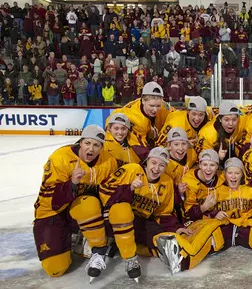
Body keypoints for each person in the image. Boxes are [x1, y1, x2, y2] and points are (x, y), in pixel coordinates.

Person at [99, 147, 219, 279]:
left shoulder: (166, 182)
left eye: (162, 165)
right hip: (114, 217)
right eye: (154, 163)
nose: (157, 168)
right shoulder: (132, 169)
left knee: (160, 241)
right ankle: (121, 253)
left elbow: (164, 213)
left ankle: (119, 244)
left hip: (141, 221)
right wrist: (130, 188)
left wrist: (176, 228)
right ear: (147, 161)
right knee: (122, 210)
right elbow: (104, 193)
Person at [33, 125, 118, 279]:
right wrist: (71, 184)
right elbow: (47, 197)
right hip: (53, 211)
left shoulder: (108, 160)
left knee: (93, 206)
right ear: (80, 142)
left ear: (101, 147)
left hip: (82, 208)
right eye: (87, 143)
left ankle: (96, 245)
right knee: (55, 269)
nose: (91, 149)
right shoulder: (61, 158)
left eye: (96, 145)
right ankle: (72, 235)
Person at [108, 82, 174, 159]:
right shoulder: (135, 118)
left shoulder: (164, 107)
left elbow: (177, 115)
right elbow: (143, 152)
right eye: (152, 106)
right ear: (143, 101)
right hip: (128, 141)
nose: (155, 110)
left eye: (158, 106)